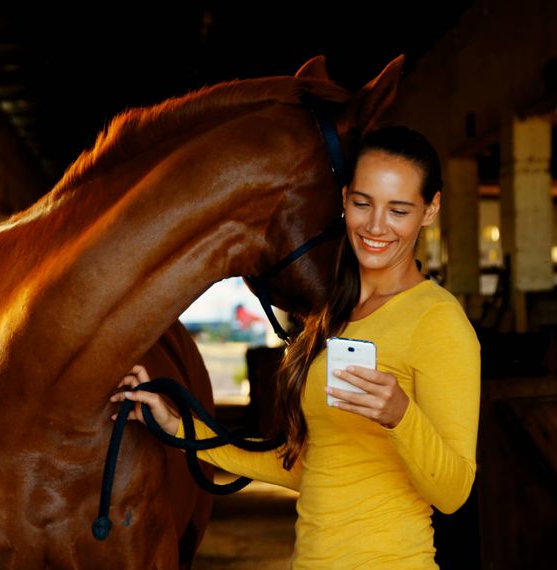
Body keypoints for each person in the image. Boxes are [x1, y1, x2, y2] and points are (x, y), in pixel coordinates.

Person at [110, 126, 480, 568]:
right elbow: (308, 467)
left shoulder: (438, 320)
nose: (376, 226)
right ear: (344, 199)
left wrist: (399, 415)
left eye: (399, 210)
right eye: (363, 203)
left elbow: (454, 492)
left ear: (430, 210)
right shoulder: (333, 315)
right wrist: (181, 428)